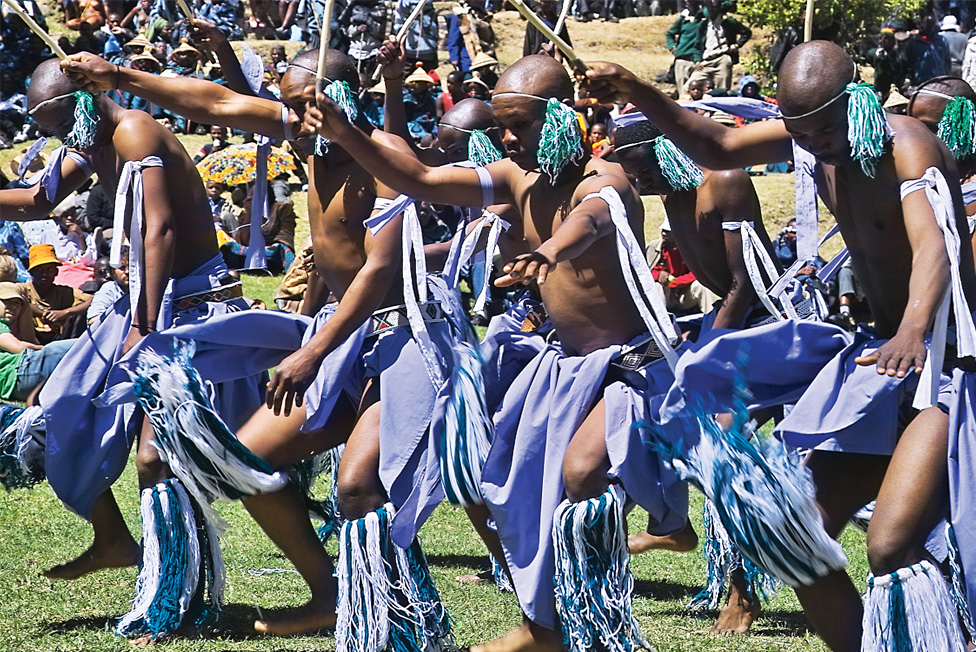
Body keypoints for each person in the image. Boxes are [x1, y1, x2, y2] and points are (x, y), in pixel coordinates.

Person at [584, 40, 976, 651]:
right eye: (801, 132)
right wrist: (639, 92)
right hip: (881, 360)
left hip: (946, 366)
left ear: (859, 101)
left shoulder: (907, 145)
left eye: (823, 129)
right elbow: (715, 146)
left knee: (891, 544)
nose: (814, 144)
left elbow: (933, 245)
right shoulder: (812, 141)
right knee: (792, 530)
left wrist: (914, 328)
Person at [62, 47, 460, 642]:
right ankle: (331, 597)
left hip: (406, 336)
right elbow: (217, 101)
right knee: (245, 463)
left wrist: (312, 349)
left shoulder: (385, 156)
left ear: (341, 98)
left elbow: (378, 270)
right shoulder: (306, 135)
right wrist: (119, 77)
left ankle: (404, 616)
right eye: (290, 105)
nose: (293, 117)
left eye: (304, 104)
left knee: (362, 483)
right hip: (339, 338)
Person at [305, 52, 685, 652]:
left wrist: (550, 250)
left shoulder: (603, 181)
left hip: (628, 370)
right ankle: (550, 628)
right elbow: (421, 181)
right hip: (560, 366)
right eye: (501, 126)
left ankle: (596, 629)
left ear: (563, 117)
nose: (507, 137)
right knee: (511, 491)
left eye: (521, 125)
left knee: (582, 473)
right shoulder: (514, 176)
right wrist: (346, 132)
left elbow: (591, 220)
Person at [2, 55, 264, 642]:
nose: (58, 139)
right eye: (49, 128)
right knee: (58, 409)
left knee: (157, 455)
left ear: (87, 99)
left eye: (60, 120)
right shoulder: (90, 140)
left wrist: (144, 325)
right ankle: (116, 540)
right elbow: (38, 202)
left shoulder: (135, 130)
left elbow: (160, 229)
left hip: (184, 311)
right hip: (136, 306)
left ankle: (172, 600)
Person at [0, 282, 75, 403]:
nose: (12, 306)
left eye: (17, 303)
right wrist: (43, 349)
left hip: (19, 379)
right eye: (6, 301)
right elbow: (18, 347)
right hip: (19, 374)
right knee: (79, 346)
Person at [19, 244, 92, 344]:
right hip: (31, 338)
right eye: (39, 270)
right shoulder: (23, 289)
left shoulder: (64, 292)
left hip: (58, 337)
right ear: (31, 272)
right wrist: (46, 316)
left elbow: (93, 299)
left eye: (49, 269)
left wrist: (66, 312)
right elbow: (16, 298)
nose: (44, 274)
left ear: (56, 272)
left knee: (79, 313)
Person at [685, 0, 751, 93]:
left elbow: (746, 33)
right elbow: (697, 46)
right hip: (707, 60)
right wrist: (697, 61)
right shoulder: (703, 24)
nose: (712, 10)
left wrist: (737, 45)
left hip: (722, 58)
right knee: (689, 86)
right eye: (710, 8)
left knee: (722, 89)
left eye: (714, 7)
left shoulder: (728, 22)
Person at [665, 0, 704, 97]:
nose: (690, 4)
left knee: (698, 91)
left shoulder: (704, 18)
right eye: (688, 2)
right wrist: (673, 48)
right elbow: (670, 34)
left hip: (698, 61)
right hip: (683, 60)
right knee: (683, 92)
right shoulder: (683, 19)